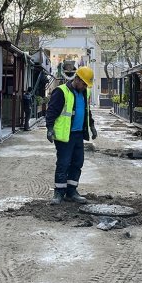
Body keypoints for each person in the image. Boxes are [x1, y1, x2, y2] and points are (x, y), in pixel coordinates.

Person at [45, 66, 97, 205]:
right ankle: (59, 193)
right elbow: (51, 111)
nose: (85, 86)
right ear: (77, 79)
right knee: (63, 163)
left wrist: (91, 125)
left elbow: (87, 111)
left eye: (87, 84)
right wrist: (49, 128)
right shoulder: (61, 91)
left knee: (77, 163)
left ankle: (71, 191)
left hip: (78, 135)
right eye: (84, 83)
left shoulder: (84, 92)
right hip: (65, 136)